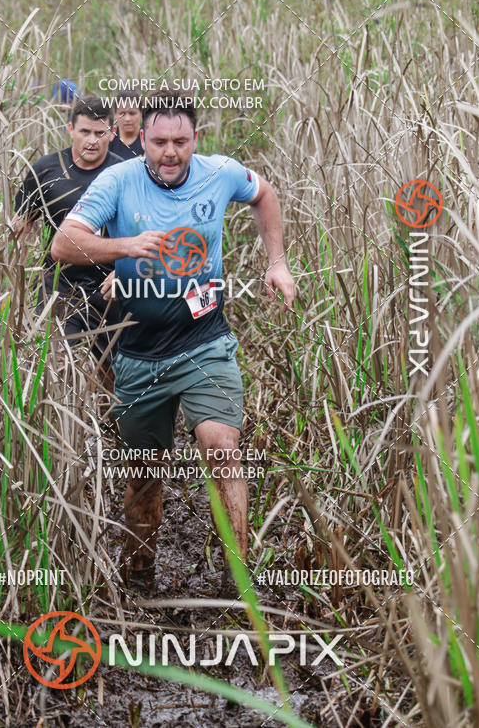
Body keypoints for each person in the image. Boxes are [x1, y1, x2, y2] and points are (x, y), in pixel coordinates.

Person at [50, 90, 296, 594]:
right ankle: (140, 570)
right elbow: (63, 243)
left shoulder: (220, 172)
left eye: (179, 141)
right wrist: (123, 246)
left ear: (194, 140)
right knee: (144, 474)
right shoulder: (117, 181)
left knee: (221, 446)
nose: (169, 152)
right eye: (158, 141)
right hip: (139, 352)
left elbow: (263, 194)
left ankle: (237, 575)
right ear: (141, 139)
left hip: (205, 340)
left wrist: (277, 263)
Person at [14, 95, 122, 365]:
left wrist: (125, 271)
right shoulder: (45, 169)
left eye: (100, 133)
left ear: (112, 133)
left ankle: (102, 407)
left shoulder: (124, 172)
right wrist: (19, 278)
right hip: (59, 283)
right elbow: (20, 227)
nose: (92, 140)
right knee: (59, 363)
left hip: (110, 285)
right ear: (71, 129)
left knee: (109, 369)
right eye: (85, 131)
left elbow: (144, 229)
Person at [109, 90, 144, 160]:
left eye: (132, 113)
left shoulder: (149, 138)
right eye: (122, 114)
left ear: (141, 113)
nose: (127, 119)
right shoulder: (108, 138)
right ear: (115, 114)